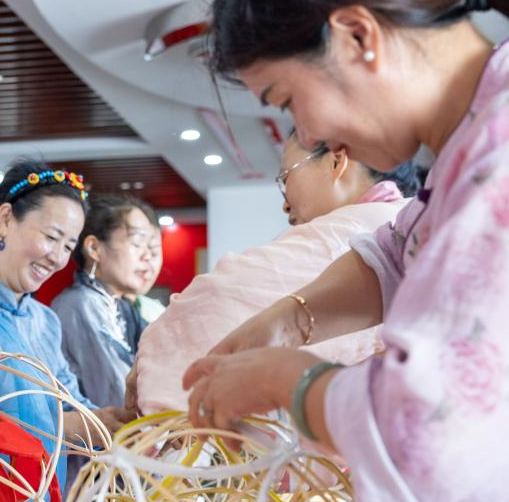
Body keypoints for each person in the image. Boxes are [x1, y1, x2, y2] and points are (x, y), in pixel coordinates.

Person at [180, 0, 509, 502]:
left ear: (358, 37)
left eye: (286, 102)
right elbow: (396, 251)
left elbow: (434, 434)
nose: (307, 135)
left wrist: (283, 380)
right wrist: (286, 320)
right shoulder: (464, 146)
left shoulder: (497, 155)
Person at [133, 130, 417, 414]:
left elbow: (215, 300)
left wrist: (154, 353)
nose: (285, 203)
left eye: (285, 178)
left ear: (336, 161)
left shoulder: (356, 229)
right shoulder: (403, 222)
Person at [0, 161, 135, 484]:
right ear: (5, 219)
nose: (58, 257)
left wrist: (121, 421)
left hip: (41, 496)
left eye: (68, 246)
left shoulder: (45, 321)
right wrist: (81, 427)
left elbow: (71, 401)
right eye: (52, 237)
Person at [51, 196, 158, 408]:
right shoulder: (81, 304)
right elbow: (120, 396)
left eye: (150, 247)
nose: (147, 256)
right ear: (94, 248)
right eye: (137, 243)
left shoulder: (123, 306)